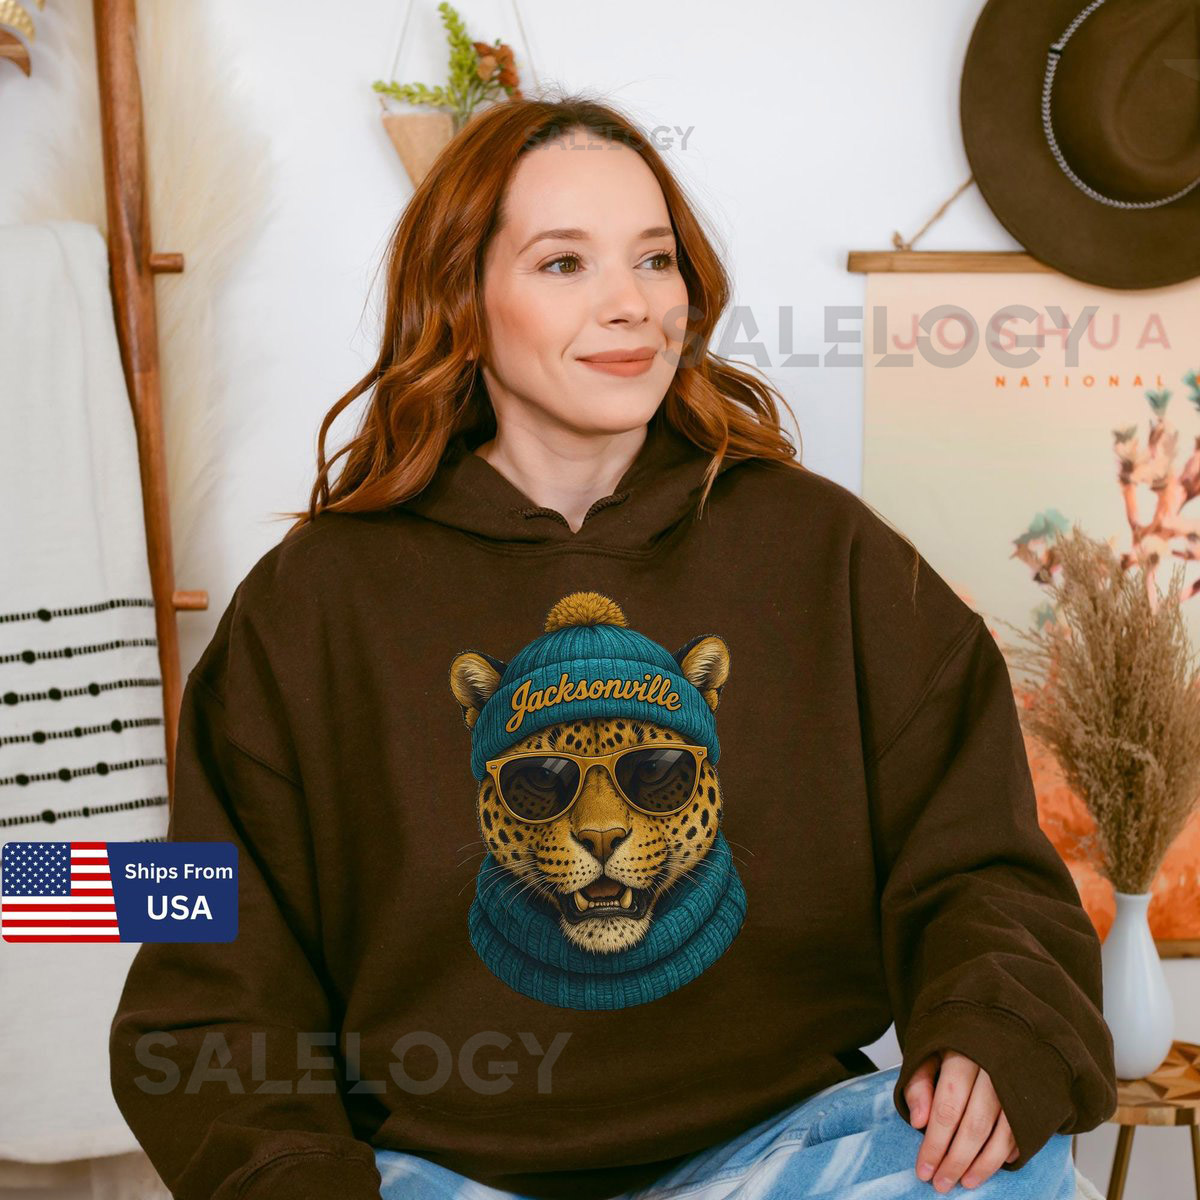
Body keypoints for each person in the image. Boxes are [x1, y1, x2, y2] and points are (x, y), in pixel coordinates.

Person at [109, 95, 1117, 1200]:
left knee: (1010, 1167)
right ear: (461, 298)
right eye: (563, 263)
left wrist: (994, 1027)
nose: (631, 303)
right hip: (437, 1173)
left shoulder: (827, 551)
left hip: (778, 1154)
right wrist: (287, 1174)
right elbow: (207, 953)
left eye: (654, 259)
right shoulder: (305, 603)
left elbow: (983, 866)